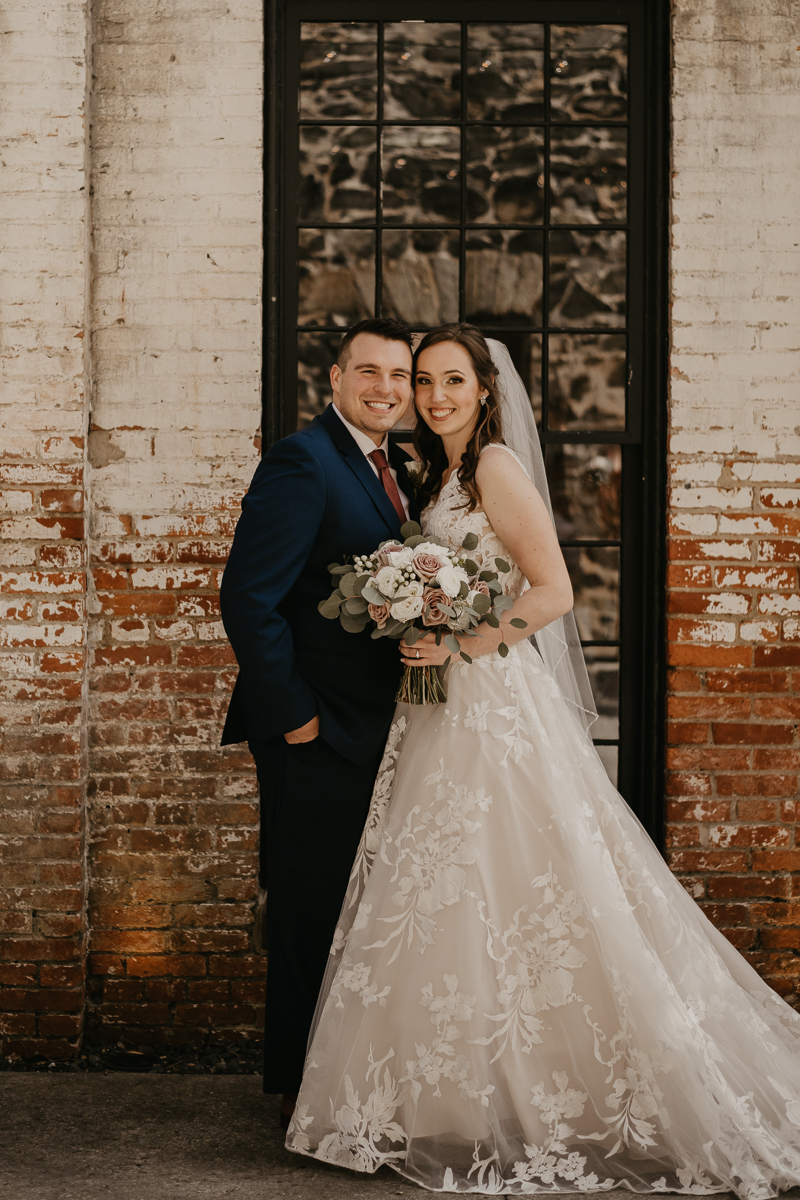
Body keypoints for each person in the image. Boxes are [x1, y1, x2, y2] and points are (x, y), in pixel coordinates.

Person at [286, 324, 800, 1197]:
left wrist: (461, 644)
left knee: (531, 881)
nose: (436, 395)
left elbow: (553, 589)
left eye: (454, 380)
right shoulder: (435, 475)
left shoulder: (492, 469)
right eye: (424, 381)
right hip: (440, 713)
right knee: (452, 888)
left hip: (492, 703)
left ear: (486, 390)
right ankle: (448, 1091)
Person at [219, 317, 419, 1126]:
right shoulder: (305, 459)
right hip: (319, 732)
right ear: (333, 380)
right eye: (368, 371)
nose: (387, 388)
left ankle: (349, 1078)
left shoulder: (393, 465)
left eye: (399, 375)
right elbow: (249, 599)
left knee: (364, 905)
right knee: (310, 910)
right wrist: (296, 718)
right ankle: (304, 1093)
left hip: (381, 727)